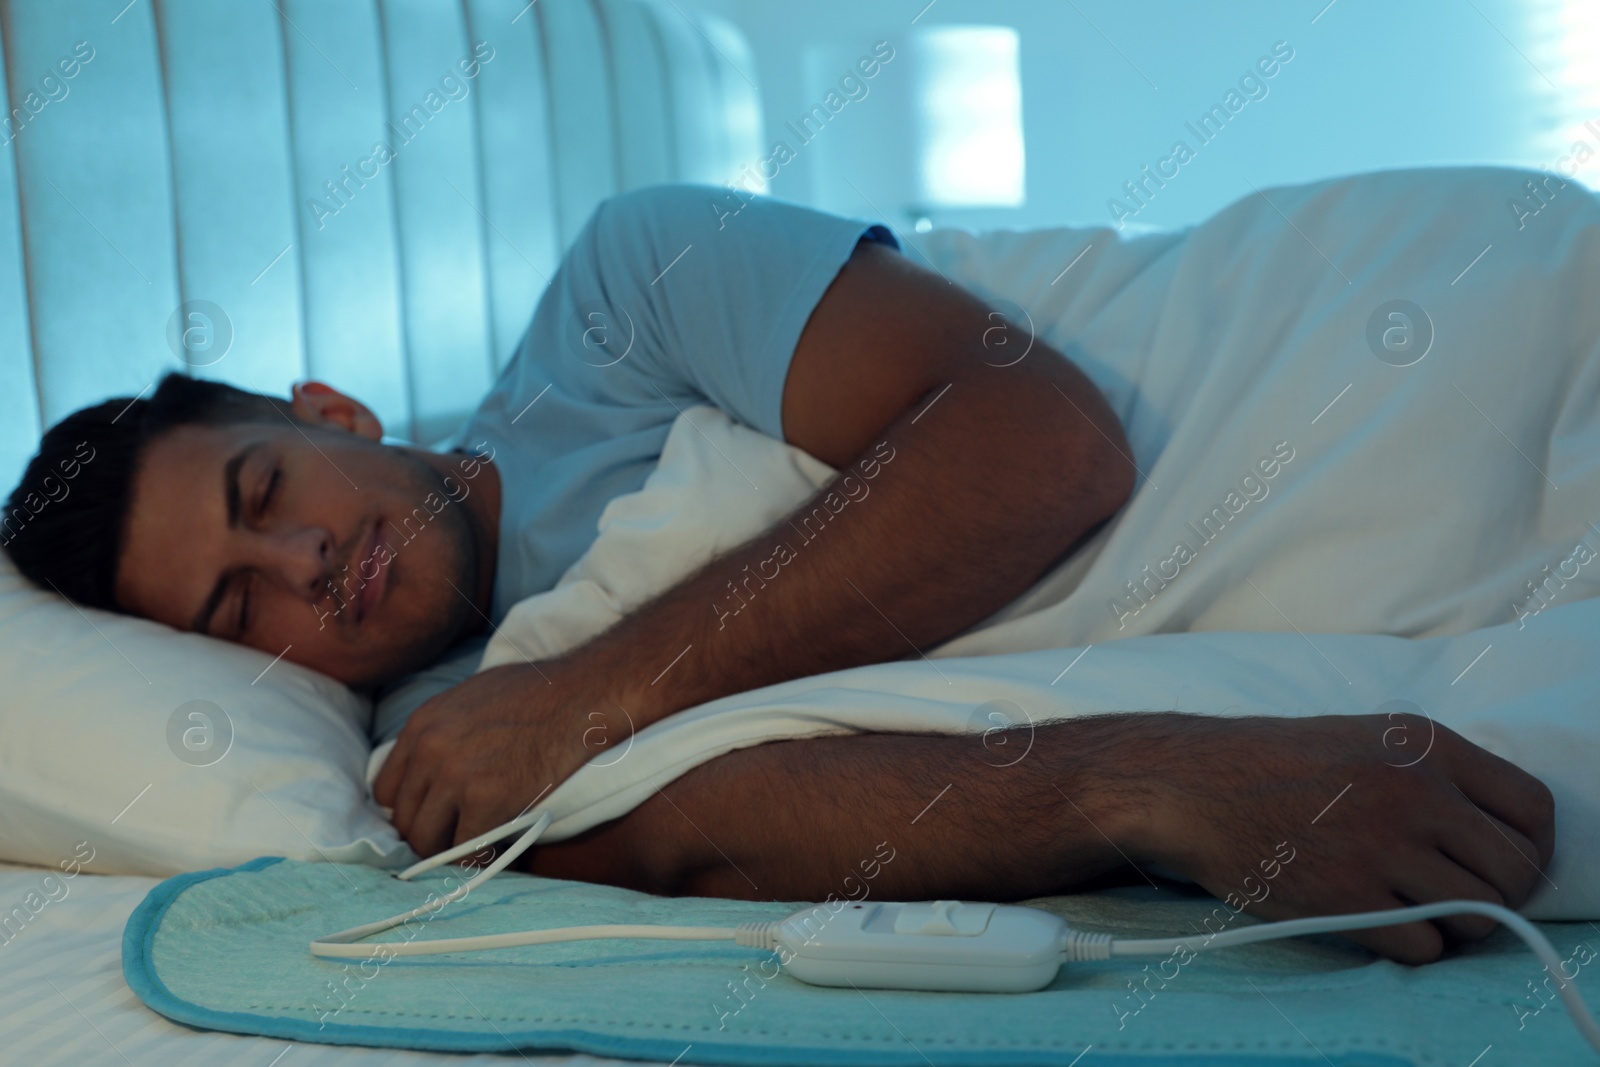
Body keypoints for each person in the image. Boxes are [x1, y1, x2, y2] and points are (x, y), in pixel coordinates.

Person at [2, 184, 1554, 964]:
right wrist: (1149, 785)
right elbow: (711, 833)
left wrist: (595, 696)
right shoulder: (448, 761)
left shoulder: (622, 294)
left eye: (267, 494)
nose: (303, 567)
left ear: (327, 413)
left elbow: (1042, 442)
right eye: (235, 607)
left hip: (1411, 362)